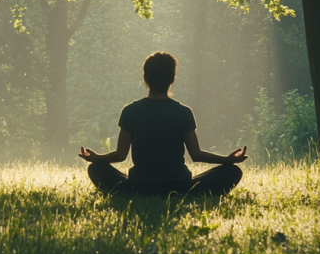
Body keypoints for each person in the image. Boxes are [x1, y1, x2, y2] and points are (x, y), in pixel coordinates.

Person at [79, 51, 247, 197]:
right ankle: (189, 193)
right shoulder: (184, 112)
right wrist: (227, 160)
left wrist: (96, 158)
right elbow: (196, 155)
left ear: (145, 78)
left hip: (140, 187)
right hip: (180, 187)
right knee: (232, 171)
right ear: (172, 78)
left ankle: (128, 193)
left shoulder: (130, 111)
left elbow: (120, 155)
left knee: (96, 169)